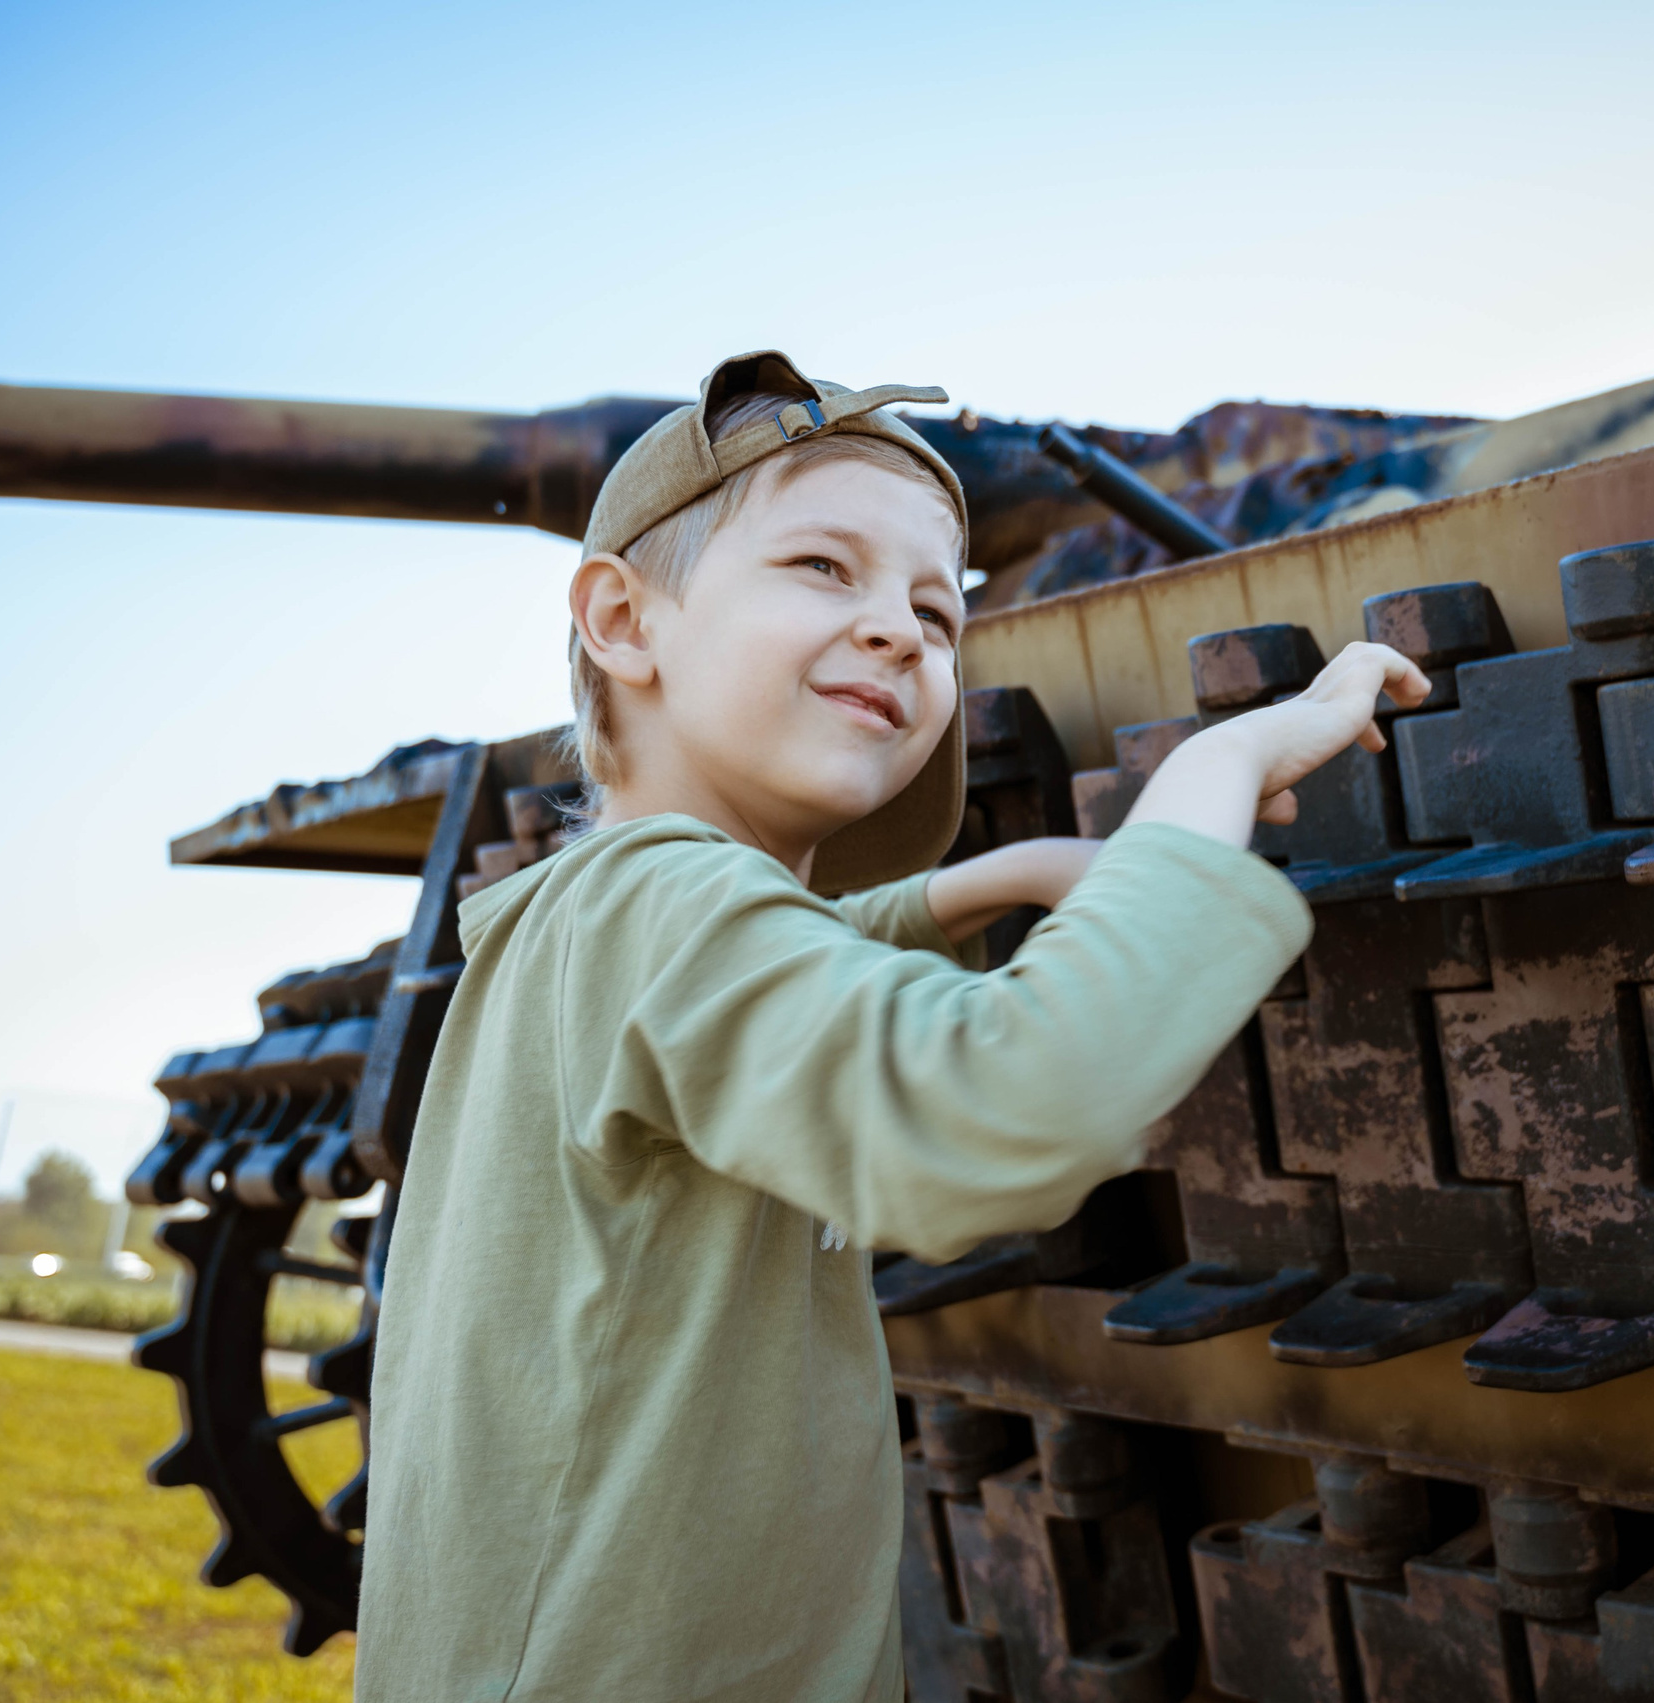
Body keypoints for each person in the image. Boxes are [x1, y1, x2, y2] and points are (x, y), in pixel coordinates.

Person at [356, 350, 1428, 1703]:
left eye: (938, 612)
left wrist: (975, 884)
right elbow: (1003, 1113)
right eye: (821, 568)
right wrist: (1212, 772)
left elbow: (753, 984)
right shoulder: (662, 907)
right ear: (623, 620)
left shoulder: (582, 914)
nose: (900, 631)